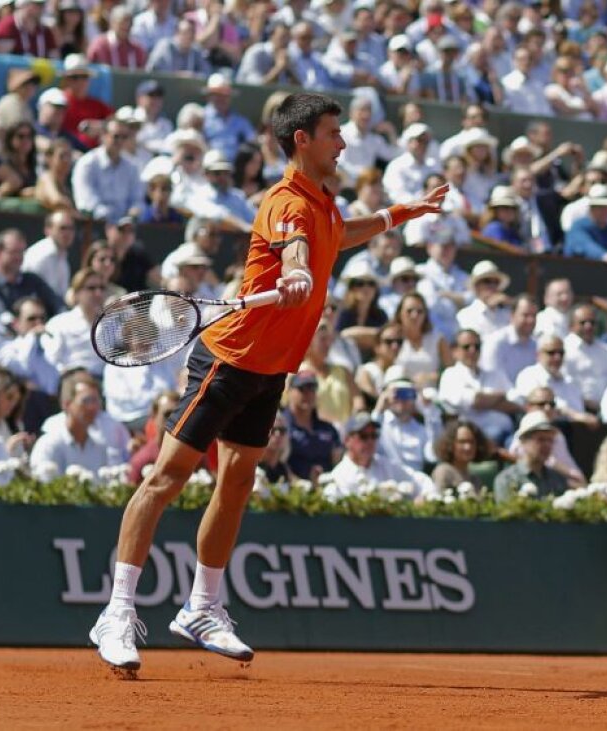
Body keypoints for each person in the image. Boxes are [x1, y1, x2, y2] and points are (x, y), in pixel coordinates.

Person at [89, 93, 447, 674]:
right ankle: (116, 611)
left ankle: (202, 607)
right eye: (334, 132)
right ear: (302, 139)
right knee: (166, 477)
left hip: (270, 369)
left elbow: (335, 233)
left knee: (236, 483)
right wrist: (298, 271)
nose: (344, 141)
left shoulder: (321, 200)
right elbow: (301, 247)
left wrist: (400, 214)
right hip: (228, 361)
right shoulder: (286, 201)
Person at [322, 412, 436, 500]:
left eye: (374, 435)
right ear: (347, 440)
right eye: (363, 436)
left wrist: (424, 497)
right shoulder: (339, 476)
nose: (370, 441)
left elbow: (421, 481)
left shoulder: (386, 465)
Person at [29, 373, 117, 479]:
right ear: (66, 405)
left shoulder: (99, 448)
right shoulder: (49, 445)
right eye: (87, 401)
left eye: (96, 400)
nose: (93, 407)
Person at [493, 411, 570, 501]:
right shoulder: (507, 480)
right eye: (541, 439)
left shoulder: (558, 479)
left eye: (550, 440)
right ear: (523, 441)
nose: (547, 445)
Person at [431, 420, 494, 493]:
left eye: (471, 442)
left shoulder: (475, 479)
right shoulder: (443, 472)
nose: (468, 447)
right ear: (450, 444)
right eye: (462, 442)